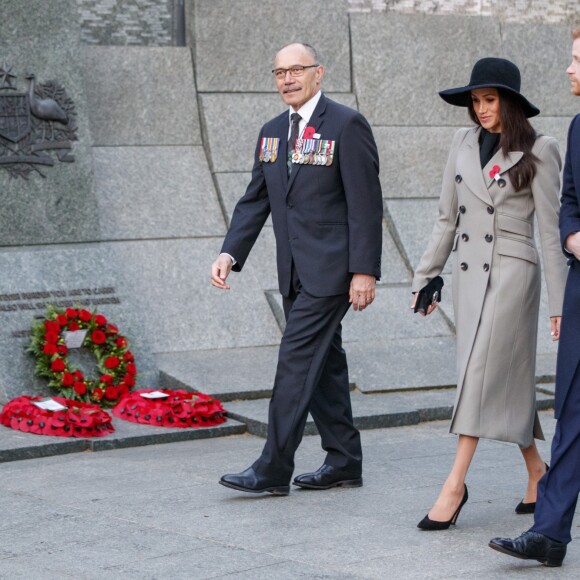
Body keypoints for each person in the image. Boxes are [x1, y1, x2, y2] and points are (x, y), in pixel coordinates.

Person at [210, 43, 383, 495]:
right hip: (293, 272)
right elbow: (256, 200)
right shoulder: (272, 132)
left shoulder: (346, 125)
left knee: (295, 361)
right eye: (279, 72)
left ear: (318, 73)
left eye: (296, 70)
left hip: (332, 271)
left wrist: (364, 271)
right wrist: (230, 253)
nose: (287, 79)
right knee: (324, 365)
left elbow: (366, 206)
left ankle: (272, 468)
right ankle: (344, 460)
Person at [411, 57, 567, 530]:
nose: (480, 109)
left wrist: (560, 305)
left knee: (478, 375)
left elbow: (550, 231)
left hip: (513, 278)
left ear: (511, 103)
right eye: (476, 101)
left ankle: (454, 486)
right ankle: (538, 471)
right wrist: (427, 276)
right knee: (499, 378)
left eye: (490, 100)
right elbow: (447, 217)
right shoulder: (460, 143)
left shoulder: (541, 149)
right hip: (468, 277)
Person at [489, 28, 580, 567]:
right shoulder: (577, 127)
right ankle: (549, 533)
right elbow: (569, 202)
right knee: (571, 412)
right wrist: (571, 234)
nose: (570, 69)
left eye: (576, 59)